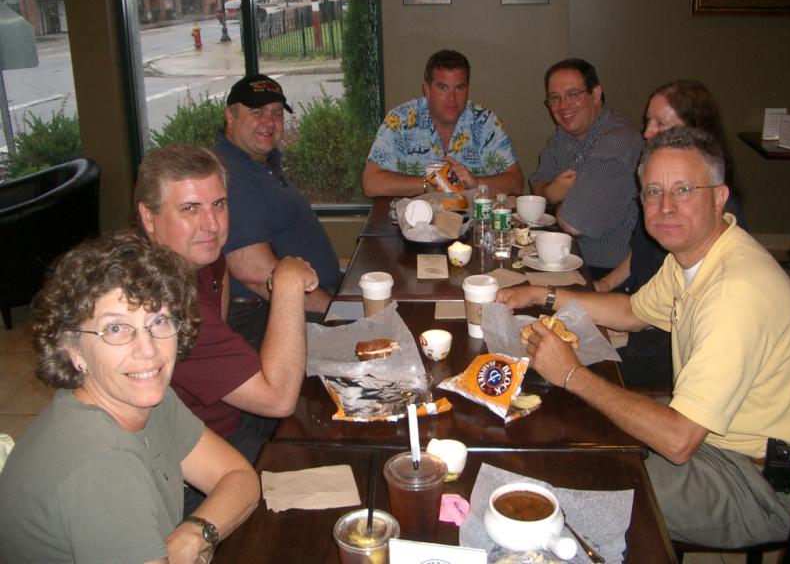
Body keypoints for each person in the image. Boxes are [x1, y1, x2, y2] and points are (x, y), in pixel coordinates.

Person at [499, 127, 790, 548]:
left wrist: (572, 374)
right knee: (573, 426)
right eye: (653, 192)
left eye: (683, 190)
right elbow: (630, 312)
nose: (665, 206)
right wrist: (540, 294)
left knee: (579, 486)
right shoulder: (695, 256)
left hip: (760, 480)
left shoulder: (734, 295)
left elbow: (677, 441)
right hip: (715, 437)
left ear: (719, 197)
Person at [0, 232, 259, 564]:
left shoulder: (148, 400)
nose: (147, 350)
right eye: (116, 329)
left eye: (159, 321)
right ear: (72, 348)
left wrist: (195, 532)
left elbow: (238, 476)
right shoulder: (101, 464)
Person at [135, 144, 318, 514]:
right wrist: (285, 282)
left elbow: (220, 324)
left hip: (229, 418)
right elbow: (277, 400)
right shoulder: (160, 306)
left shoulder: (201, 256)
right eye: (190, 209)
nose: (212, 225)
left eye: (218, 204)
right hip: (191, 474)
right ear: (149, 217)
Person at [593, 79, 748, 388]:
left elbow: (689, 314)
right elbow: (642, 254)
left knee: (586, 370)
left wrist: (628, 324)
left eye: (660, 124)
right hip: (643, 308)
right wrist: (605, 284)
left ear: (694, 131)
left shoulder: (708, 214)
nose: (646, 132)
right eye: (648, 121)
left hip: (668, 339)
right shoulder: (664, 194)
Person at [215, 73, 340, 345]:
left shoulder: (258, 162)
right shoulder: (230, 174)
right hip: (267, 313)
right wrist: (337, 312)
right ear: (230, 116)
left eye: (277, 113)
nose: (269, 122)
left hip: (309, 298)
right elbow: (256, 275)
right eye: (257, 112)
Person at [530, 58, 644, 278]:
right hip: (563, 258)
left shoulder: (618, 143)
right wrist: (550, 192)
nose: (563, 106)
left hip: (606, 273)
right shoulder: (564, 134)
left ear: (596, 93)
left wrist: (558, 199)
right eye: (554, 98)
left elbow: (573, 223)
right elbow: (538, 180)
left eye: (573, 94)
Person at [362, 49, 523, 197]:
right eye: (442, 88)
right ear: (427, 90)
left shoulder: (485, 122)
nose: (452, 98)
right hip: (414, 218)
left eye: (459, 88)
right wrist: (431, 183)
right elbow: (370, 183)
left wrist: (476, 183)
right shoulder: (400, 120)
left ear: (468, 88)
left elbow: (516, 183)